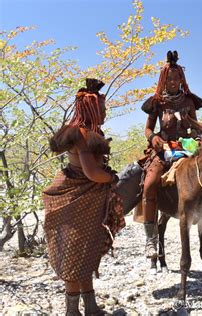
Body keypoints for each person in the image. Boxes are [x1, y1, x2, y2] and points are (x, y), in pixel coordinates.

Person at [43, 78, 125, 315]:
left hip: (87, 200)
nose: (105, 111)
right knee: (74, 253)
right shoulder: (80, 134)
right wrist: (111, 179)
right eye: (102, 107)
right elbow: (92, 173)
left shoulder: (90, 132)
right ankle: (72, 311)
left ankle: (90, 307)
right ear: (91, 108)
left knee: (85, 251)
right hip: (76, 201)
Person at [135, 50, 202, 260]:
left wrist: (198, 139)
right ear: (163, 80)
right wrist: (153, 138)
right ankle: (150, 239)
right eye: (169, 78)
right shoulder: (157, 102)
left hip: (185, 149)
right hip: (163, 150)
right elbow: (148, 129)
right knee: (149, 184)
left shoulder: (189, 102)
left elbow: (197, 128)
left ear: (181, 79)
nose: (173, 82)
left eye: (176, 78)